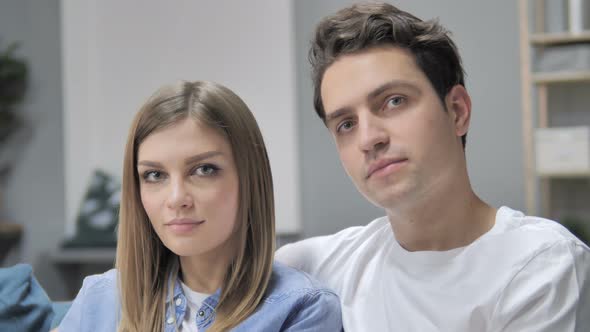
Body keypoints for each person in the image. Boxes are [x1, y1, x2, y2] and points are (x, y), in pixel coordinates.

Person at [275, 3, 590, 331]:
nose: (369, 139)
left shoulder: (541, 266)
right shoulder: (317, 265)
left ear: (457, 111)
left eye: (393, 101)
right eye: (346, 124)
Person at [57, 81, 342, 332]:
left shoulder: (302, 308)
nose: (176, 198)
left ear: (250, 178)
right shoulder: (101, 298)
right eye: (155, 175)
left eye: (204, 170)